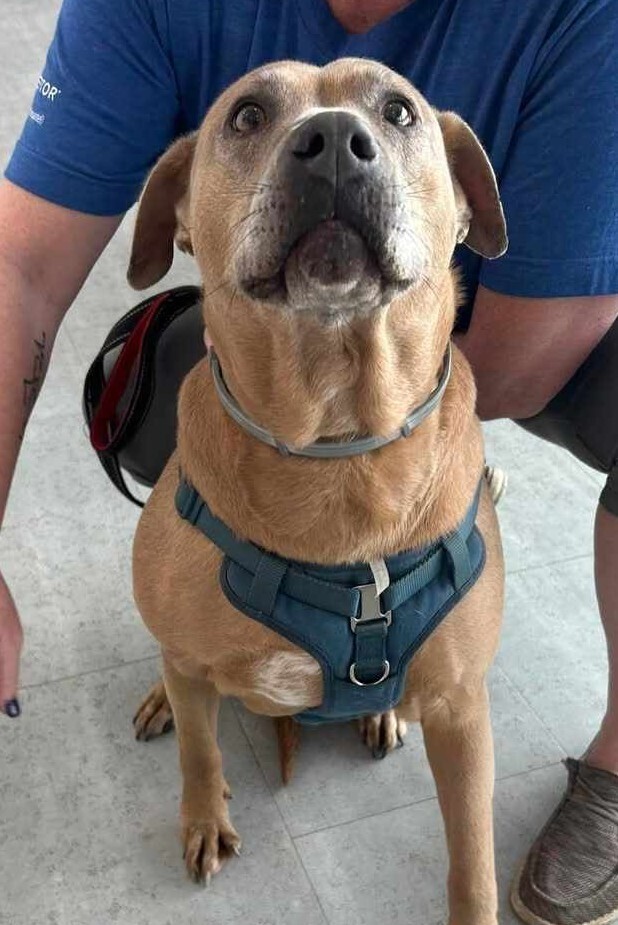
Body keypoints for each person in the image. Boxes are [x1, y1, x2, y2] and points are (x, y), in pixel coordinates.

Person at [1, 1, 618, 921]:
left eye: (394, 119)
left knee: (448, 680)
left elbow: (535, 351)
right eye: (252, 120)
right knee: (187, 628)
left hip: (472, 374)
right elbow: (17, 261)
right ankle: (208, 764)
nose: (337, 142)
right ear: (179, 216)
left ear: (461, 205)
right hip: (235, 416)